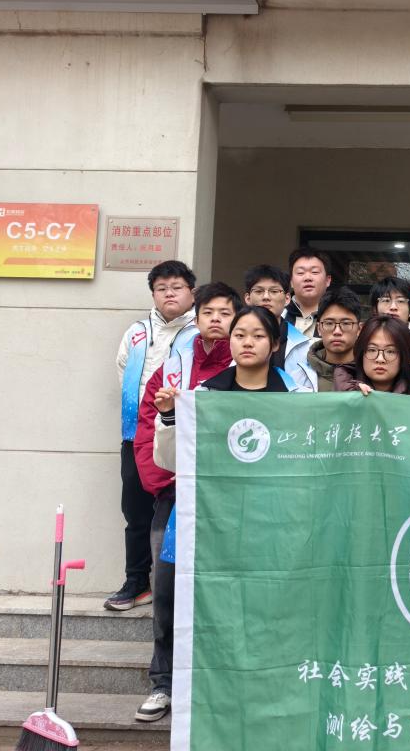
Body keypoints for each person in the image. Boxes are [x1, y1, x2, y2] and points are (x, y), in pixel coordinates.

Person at [141, 305, 301, 724]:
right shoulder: (203, 397)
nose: (248, 342)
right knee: (171, 598)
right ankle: (164, 685)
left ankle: (253, 688)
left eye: (258, 335)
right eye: (240, 334)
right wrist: (170, 416)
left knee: (258, 608)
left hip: (268, 523)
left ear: (275, 344)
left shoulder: (298, 401)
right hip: (206, 519)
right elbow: (170, 460)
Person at [130, 282, 240, 722]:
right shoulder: (172, 366)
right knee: (167, 590)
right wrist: (163, 480)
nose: (216, 319)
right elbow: (146, 427)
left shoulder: (246, 368)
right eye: (209, 312)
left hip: (231, 500)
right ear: (197, 317)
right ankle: (163, 684)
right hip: (176, 495)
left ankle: (217, 684)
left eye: (225, 313)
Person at [108, 260, 198, 612]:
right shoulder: (136, 332)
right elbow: (123, 370)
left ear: (192, 292)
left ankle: (176, 586)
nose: (169, 293)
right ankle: (136, 581)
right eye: (161, 288)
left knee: (175, 510)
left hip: (179, 435)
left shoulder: (200, 330)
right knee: (135, 510)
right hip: (136, 434)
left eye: (176, 287)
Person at [336, 315, 410, 396]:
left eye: (390, 352)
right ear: (361, 353)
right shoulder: (341, 392)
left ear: (404, 357)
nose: (380, 359)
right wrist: (353, 395)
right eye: (372, 350)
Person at [285, 287, 363, 392]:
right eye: (329, 323)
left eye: (346, 323)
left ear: (359, 329)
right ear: (319, 328)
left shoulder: (372, 373)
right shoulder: (298, 377)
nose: (337, 331)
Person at [243, 263, 306, 369]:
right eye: (259, 291)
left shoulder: (302, 344)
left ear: (287, 299)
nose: (266, 297)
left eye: (274, 291)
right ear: (248, 298)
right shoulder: (235, 338)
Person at [283, 248, 332, 337]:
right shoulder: (279, 315)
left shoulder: (339, 317)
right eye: (300, 273)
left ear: (327, 280)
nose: (307, 278)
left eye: (314, 272)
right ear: (291, 282)